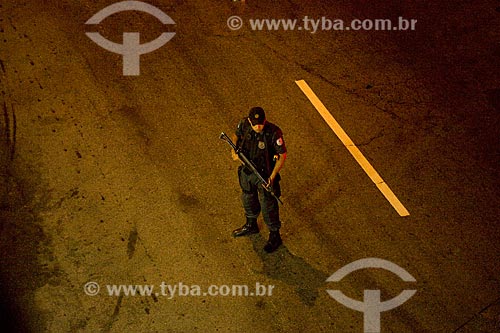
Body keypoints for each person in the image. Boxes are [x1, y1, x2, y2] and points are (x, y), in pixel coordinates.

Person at [230, 106, 287, 253]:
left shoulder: (273, 132)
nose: (258, 126)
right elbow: (236, 135)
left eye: (260, 123)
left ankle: (275, 235)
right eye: (255, 123)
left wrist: (272, 176)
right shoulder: (244, 124)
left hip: (264, 174)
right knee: (247, 198)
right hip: (247, 170)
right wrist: (234, 151)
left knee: (268, 205)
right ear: (249, 121)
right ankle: (251, 224)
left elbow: (282, 155)